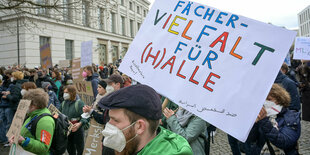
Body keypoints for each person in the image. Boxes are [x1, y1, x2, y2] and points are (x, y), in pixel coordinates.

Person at [98, 84, 193, 155]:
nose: (108, 126)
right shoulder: (116, 147)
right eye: (109, 119)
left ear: (139, 126)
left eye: (116, 120)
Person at [245, 84, 301, 155]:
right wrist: (253, 124)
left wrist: (264, 121)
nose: (265, 102)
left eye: (269, 99)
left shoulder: (291, 116)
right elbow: (251, 140)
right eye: (263, 99)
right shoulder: (260, 115)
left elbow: (285, 142)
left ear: (279, 99)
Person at [9, 88, 55, 155]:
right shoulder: (32, 115)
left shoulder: (45, 121)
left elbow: (44, 147)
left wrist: (24, 141)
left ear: (33, 106)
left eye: (26, 103)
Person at [59, 85, 89, 155]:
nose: (64, 94)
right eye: (64, 92)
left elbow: (86, 116)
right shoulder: (63, 103)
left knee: (80, 148)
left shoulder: (79, 103)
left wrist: (80, 123)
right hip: (67, 129)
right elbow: (59, 113)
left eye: (66, 92)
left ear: (72, 93)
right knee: (69, 147)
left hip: (77, 129)